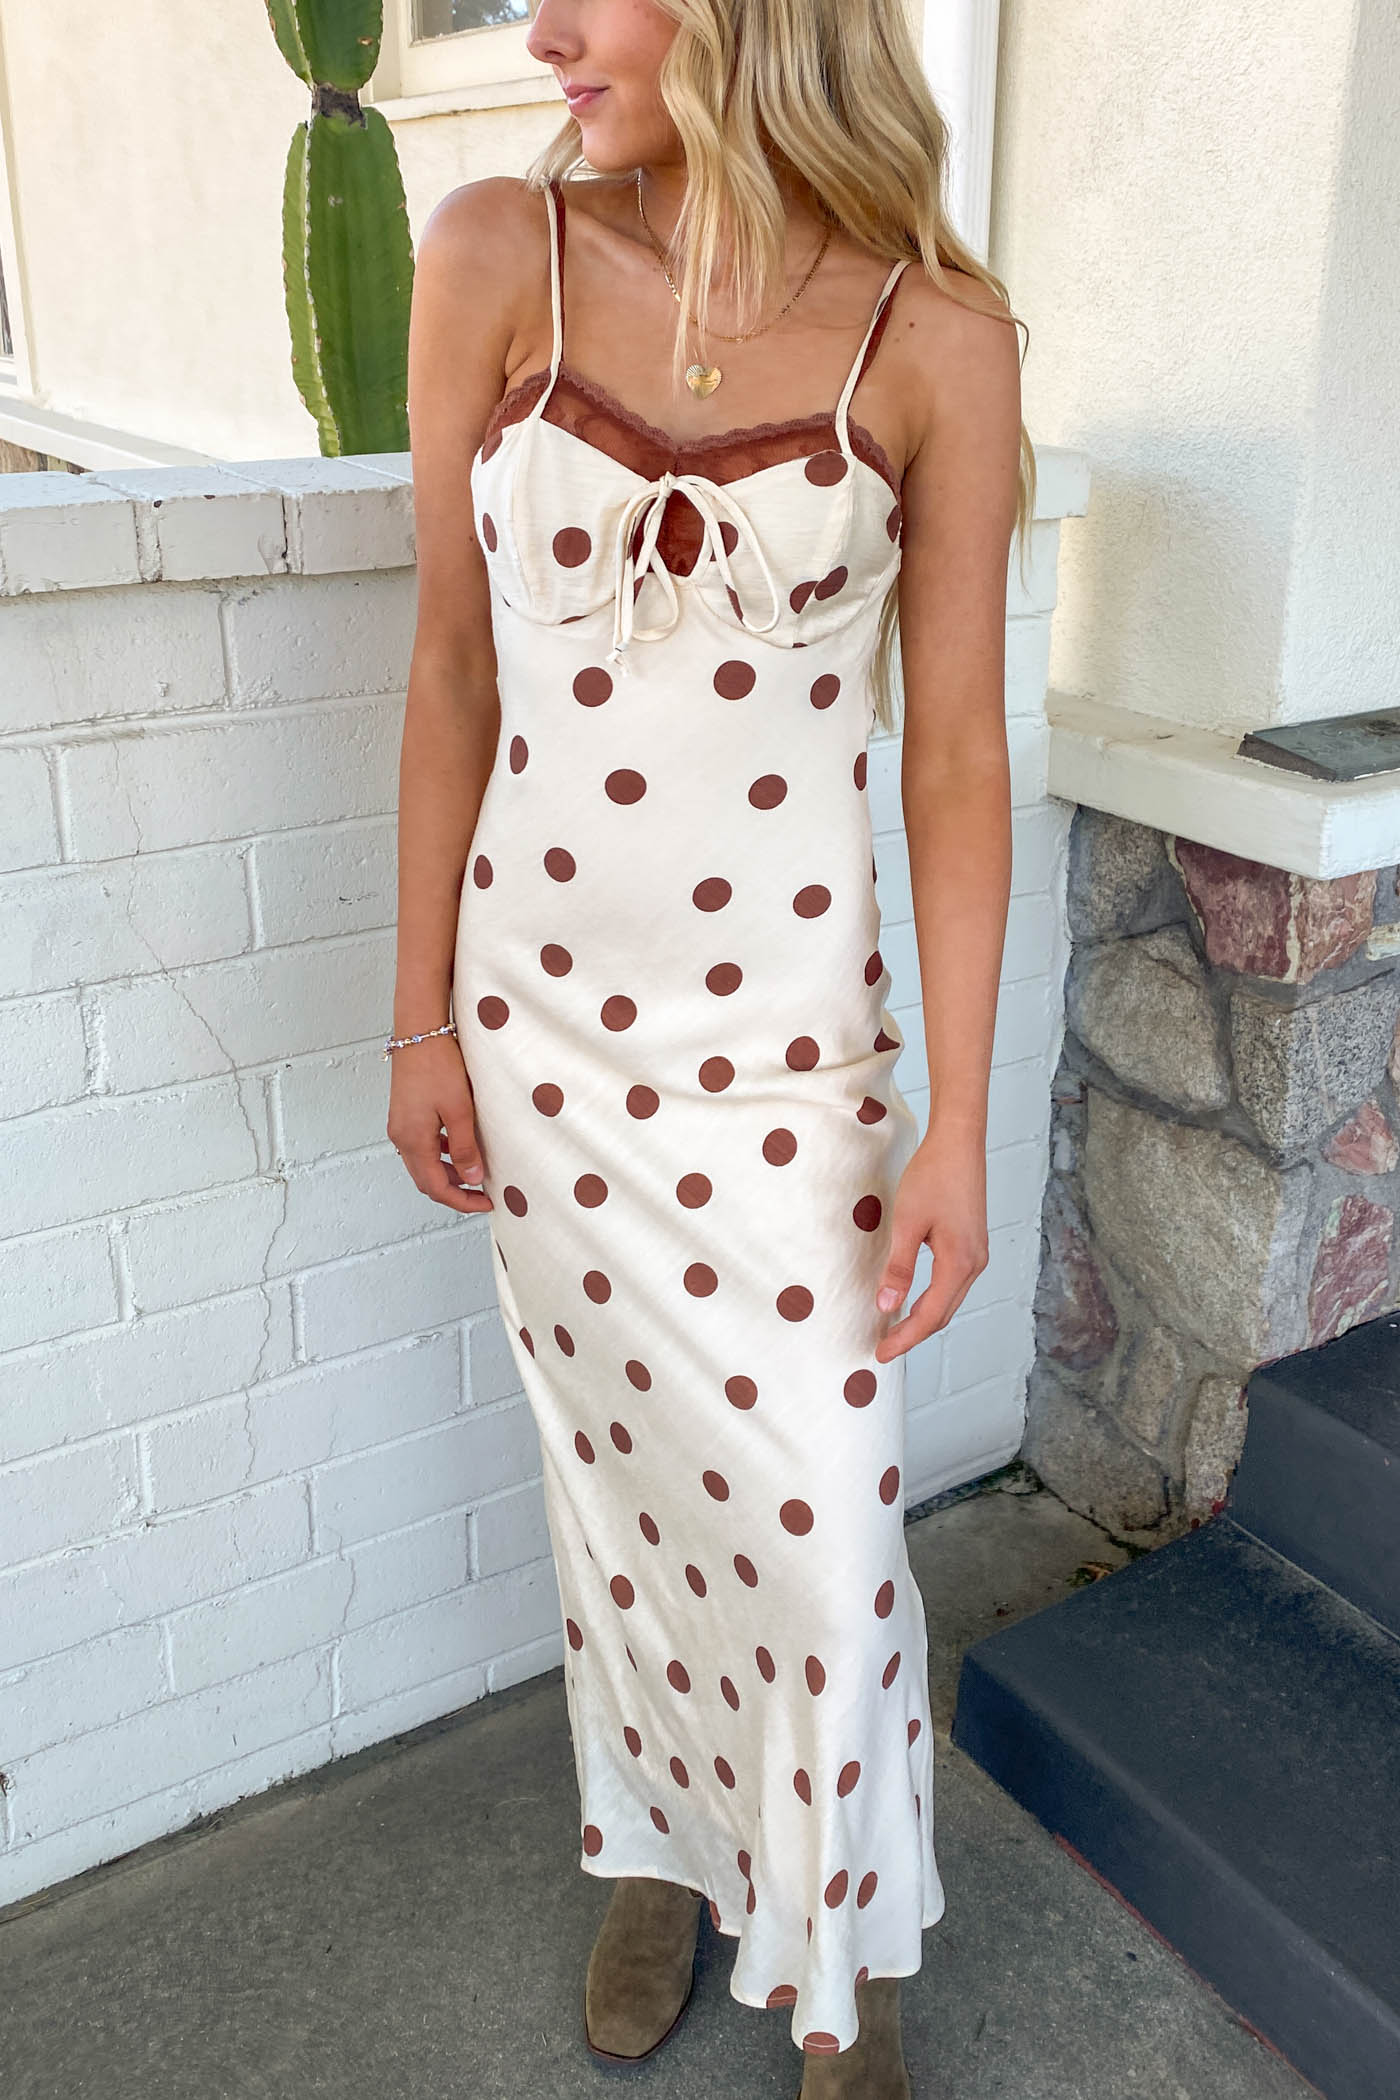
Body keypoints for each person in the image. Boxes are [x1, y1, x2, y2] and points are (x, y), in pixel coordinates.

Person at [387, 1, 1028, 2091]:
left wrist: (952, 1118)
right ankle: (658, 1846)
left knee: (827, 1524)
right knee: (620, 1488)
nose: (545, 29)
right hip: (546, 1031)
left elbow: (946, 757)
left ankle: (839, 1942)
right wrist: (420, 1022)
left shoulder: (933, 339)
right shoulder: (496, 252)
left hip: (784, 1065)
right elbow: (451, 665)